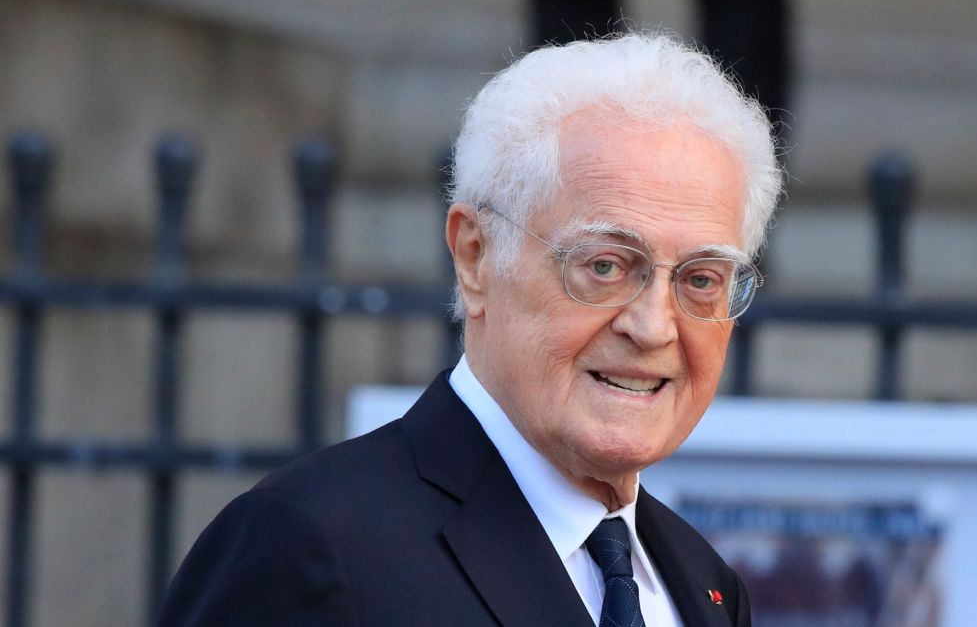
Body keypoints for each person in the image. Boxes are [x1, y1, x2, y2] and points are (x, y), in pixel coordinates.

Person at [158, 32, 783, 626]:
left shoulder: (704, 586)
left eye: (702, 279)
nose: (653, 327)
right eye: (604, 266)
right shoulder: (310, 546)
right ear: (476, 257)